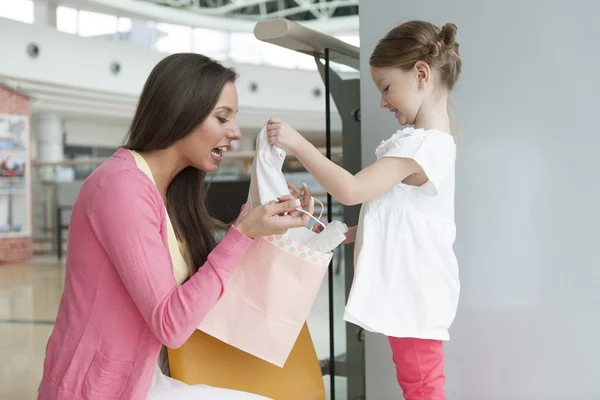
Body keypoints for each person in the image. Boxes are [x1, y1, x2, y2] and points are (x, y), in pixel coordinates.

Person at [38, 53, 314, 400]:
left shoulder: (162, 190)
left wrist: (262, 222)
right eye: (222, 118)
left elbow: (200, 289)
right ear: (181, 112)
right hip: (96, 390)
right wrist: (241, 234)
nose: (234, 132)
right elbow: (171, 323)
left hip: (138, 380)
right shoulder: (121, 188)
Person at [266, 21, 462, 400]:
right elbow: (399, 216)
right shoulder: (425, 144)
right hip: (414, 288)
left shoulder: (424, 146)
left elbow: (352, 190)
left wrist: (297, 143)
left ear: (421, 73)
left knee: (422, 386)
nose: (383, 102)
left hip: (416, 291)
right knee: (418, 383)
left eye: (386, 88)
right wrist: (349, 233)